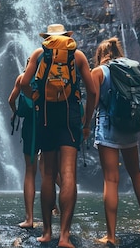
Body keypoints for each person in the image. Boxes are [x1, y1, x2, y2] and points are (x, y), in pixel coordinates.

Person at [20, 24, 96, 248]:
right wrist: (86, 122)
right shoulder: (78, 56)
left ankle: (46, 233)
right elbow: (92, 91)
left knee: (48, 174)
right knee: (69, 174)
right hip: (70, 117)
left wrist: (34, 98)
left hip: (45, 115)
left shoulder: (39, 54)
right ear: (66, 37)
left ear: (48, 38)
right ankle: (64, 237)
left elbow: (24, 83)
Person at [90, 37, 140, 245]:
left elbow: (95, 101)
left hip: (109, 127)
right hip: (130, 127)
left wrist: (83, 124)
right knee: (136, 174)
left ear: (100, 55)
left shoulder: (99, 72)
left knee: (111, 179)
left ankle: (111, 236)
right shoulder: (131, 68)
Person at [8, 68, 62, 229]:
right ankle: (56, 209)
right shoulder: (50, 77)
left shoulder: (22, 78)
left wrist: (15, 113)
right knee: (49, 170)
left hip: (30, 127)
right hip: (48, 124)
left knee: (30, 171)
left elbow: (11, 100)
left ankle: (29, 219)